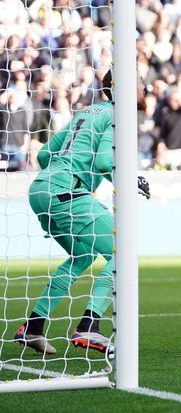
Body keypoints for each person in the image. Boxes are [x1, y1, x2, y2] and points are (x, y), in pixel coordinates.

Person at [14, 71, 152, 356]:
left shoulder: (86, 113)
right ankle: (89, 325)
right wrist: (129, 180)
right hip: (67, 192)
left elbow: (43, 156)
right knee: (123, 249)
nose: (145, 86)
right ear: (124, 87)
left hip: (42, 189)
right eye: (140, 82)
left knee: (83, 256)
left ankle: (33, 327)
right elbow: (103, 160)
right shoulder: (116, 116)